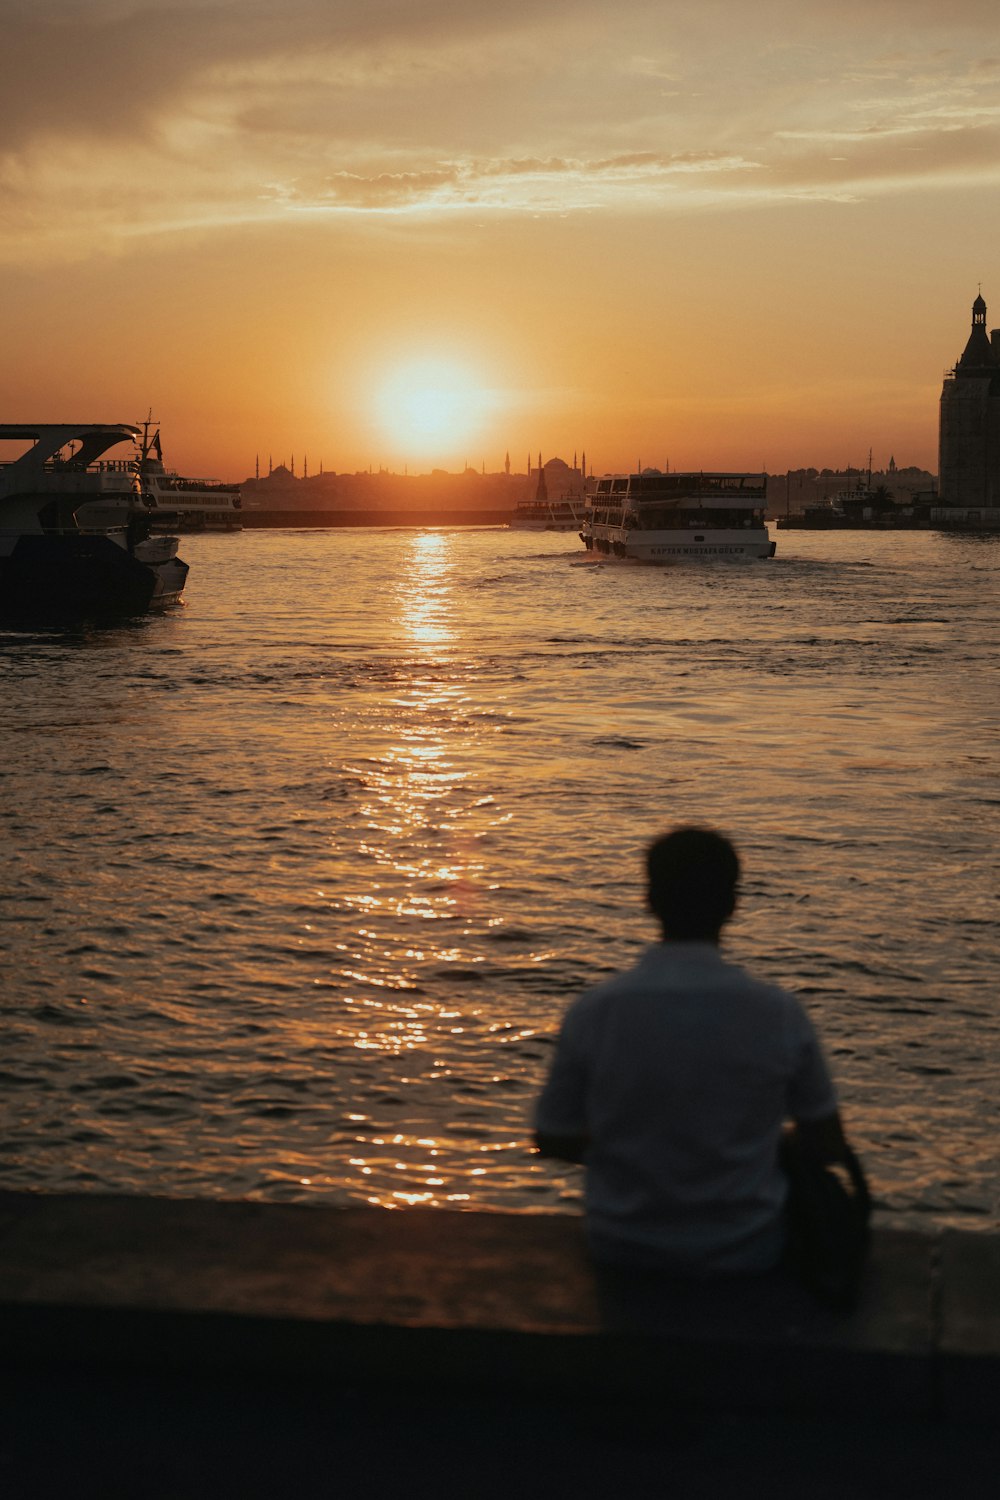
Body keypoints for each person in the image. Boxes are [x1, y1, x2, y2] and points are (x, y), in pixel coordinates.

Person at [534, 825, 853, 1278]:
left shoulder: (597, 1010)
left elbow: (552, 1136)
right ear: (732, 904)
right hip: (746, 1247)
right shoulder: (778, 1012)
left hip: (620, 1244)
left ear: (650, 900)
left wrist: (636, 1148)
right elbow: (827, 1143)